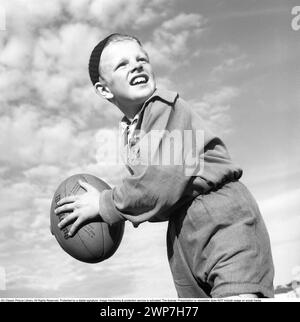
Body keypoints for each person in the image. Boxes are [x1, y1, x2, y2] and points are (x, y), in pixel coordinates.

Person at [54, 33, 274, 298]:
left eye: (141, 59)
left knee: (238, 294)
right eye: (122, 64)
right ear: (104, 89)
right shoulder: (130, 133)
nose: (136, 65)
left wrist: (104, 204)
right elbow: (156, 199)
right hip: (181, 230)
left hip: (221, 219)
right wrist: (124, 204)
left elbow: (159, 182)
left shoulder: (164, 105)